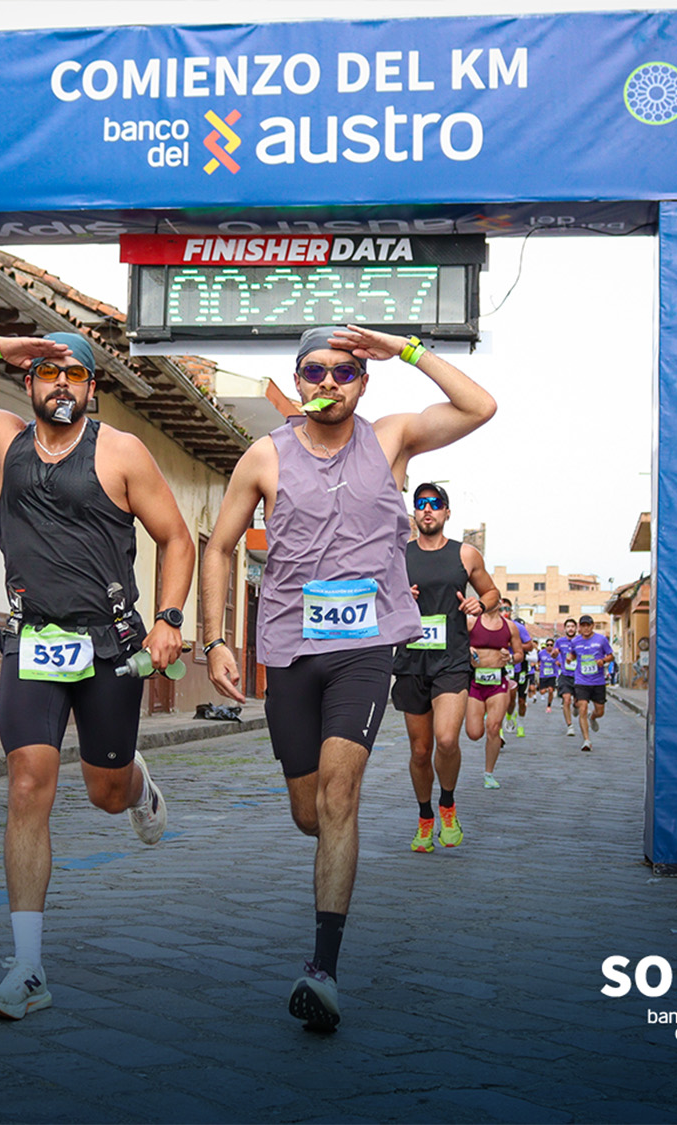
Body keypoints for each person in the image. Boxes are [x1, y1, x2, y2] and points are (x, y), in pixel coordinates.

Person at [200, 324, 495, 1032]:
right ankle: (330, 855)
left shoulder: (391, 439)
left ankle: (322, 970)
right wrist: (213, 638)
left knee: (340, 795)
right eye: (314, 371)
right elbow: (220, 546)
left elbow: (479, 406)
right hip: (289, 650)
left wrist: (405, 349)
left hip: (366, 648)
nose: (328, 382)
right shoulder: (264, 456)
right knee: (310, 813)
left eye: (343, 372)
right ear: (296, 381)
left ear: (363, 383)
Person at [0, 329, 194, 1020]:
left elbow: (177, 537)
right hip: (32, 640)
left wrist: (169, 618)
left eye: (74, 374)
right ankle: (28, 967)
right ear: (28, 382)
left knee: (104, 792)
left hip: (110, 644)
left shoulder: (120, 451)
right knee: (28, 784)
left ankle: (136, 782)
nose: (61, 382)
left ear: (92, 388)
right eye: (47, 371)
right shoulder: (2, 439)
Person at [392, 482, 498, 852]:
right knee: (421, 751)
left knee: (447, 739)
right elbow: (380, 599)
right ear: (415, 512)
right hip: (411, 660)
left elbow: (491, 592)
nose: (427, 509)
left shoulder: (465, 554)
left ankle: (447, 806)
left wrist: (480, 605)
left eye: (435, 503)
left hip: (451, 660)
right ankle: (425, 818)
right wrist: (399, 597)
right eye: (421, 503)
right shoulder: (399, 555)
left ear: (447, 512)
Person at [465, 600, 525, 789]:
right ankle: (483, 715)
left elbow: (520, 654)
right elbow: (456, 643)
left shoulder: (510, 626)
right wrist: (467, 649)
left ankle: (489, 773)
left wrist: (511, 658)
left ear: (499, 603)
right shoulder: (471, 622)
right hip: (475, 681)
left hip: (498, 681)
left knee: (493, 727)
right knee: (474, 733)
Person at [571, 614, 615, 752]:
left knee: (600, 711)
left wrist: (603, 660)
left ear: (592, 626)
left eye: (588, 625)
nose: (586, 628)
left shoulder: (601, 639)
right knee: (582, 708)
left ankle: (593, 716)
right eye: (583, 625)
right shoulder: (575, 641)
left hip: (598, 681)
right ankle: (586, 740)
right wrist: (569, 658)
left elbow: (611, 655)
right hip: (581, 680)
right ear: (579, 627)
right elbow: (573, 654)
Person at [500, 600, 535, 737]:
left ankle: (519, 722)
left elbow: (530, 646)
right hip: (499, 666)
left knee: (519, 700)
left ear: (511, 611)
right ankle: (499, 728)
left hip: (518, 667)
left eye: (507, 609)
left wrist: (513, 645)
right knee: (501, 698)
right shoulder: (491, 625)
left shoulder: (518, 627)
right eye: (501, 609)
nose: (504, 612)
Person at [554, 617, 579, 736]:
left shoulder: (580, 641)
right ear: (564, 629)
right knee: (566, 699)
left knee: (578, 702)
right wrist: (554, 654)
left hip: (579, 676)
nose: (570, 629)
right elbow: (554, 653)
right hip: (565, 675)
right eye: (568, 627)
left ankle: (576, 706)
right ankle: (570, 726)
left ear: (576, 628)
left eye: (572, 626)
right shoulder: (560, 641)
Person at [535, 638, 560, 712]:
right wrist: (538, 665)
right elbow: (537, 660)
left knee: (551, 690)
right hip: (543, 675)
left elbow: (560, 662)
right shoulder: (541, 653)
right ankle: (546, 690)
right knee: (542, 692)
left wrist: (558, 664)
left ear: (553, 646)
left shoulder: (556, 654)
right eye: (547, 645)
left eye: (551, 645)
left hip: (552, 675)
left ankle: (549, 705)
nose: (549, 646)